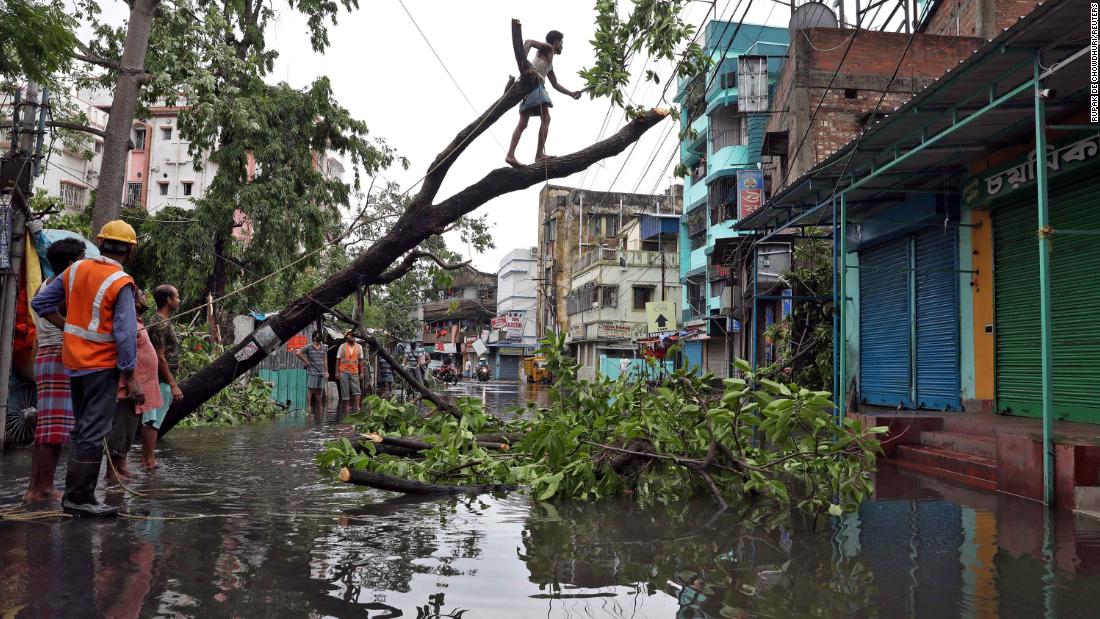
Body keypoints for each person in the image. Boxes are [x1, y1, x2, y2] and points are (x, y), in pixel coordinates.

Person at [32, 220, 142, 517]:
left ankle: (75, 497)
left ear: (100, 243)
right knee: (93, 432)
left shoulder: (75, 269)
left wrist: (68, 328)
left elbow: (40, 302)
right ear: (130, 251)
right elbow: (125, 333)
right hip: (101, 368)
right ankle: (80, 499)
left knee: (82, 431)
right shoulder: (121, 282)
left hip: (74, 365)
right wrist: (130, 376)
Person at [24, 237, 85, 502]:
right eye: (81, 260)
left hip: (46, 358)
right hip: (59, 357)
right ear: (72, 263)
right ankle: (43, 488)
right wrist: (71, 329)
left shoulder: (44, 287)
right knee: (54, 430)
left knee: (47, 427)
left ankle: (35, 488)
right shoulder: (63, 289)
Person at [505, 30, 583, 168]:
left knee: (523, 123)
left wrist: (571, 93)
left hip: (528, 87)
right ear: (556, 42)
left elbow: (555, 84)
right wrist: (523, 62)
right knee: (546, 118)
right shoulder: (548, 48)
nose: (562, 46)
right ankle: (539, 154)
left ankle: (510, 155)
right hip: (534, 83)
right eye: (562, 43)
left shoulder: (550, 62)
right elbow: (529, 42)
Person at [106, 289, 162, 481]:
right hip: (130, 384)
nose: (145, 296)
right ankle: (112, 471)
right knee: (121, 425)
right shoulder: (127, 321)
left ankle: (121, 465)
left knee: (130, 426)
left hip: (141, 385)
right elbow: (124, 349)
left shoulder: (136, 321)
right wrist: (131, 381)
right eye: (140, 294)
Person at [141, 284, 184, 468]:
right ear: (168, 300)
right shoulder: (160, 324)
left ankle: (148, 459)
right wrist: (173, 384)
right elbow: (159, 357)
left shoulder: (160, 321)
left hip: (160, 378)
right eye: (177, 296)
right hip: (160, 379)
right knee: (153, 420)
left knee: (153, 419)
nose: (179, 300)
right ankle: (148, 460)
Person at [294, 330, 329, 420]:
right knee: (310, 390)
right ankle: (309, 408)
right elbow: (298, 353)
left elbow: (325, 359)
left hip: (321, 372)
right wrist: (306, 361)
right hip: (313, 372)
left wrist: (326, 371)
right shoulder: (309, 347)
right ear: (314, 338)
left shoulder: (324, 347)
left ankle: (320, 410)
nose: (319, 337)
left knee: (319, 392)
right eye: (318, 336)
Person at [336, 331, 364, 419]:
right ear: (347, 337)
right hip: (343, 370)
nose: (351, 337)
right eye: (350, 335)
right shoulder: (342, 346)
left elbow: (361, 360)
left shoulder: (359, 347)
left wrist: (362, 372)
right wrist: (337, 372)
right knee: (345, 390)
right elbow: (338, 359)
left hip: (354, 370)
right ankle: (347, 407)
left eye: (353, 335)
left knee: (357, 390)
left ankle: (357, 407)